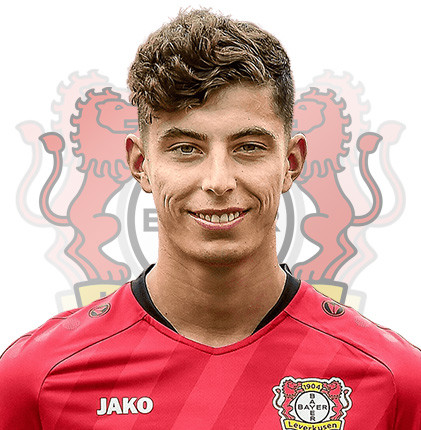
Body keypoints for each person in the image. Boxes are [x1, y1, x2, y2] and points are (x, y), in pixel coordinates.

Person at [1, 8, 420, 429]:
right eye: (186, 148)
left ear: (291, 163)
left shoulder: (394, 380)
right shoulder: (36, 379)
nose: (219, 181)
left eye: (249, 147)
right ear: (142, 165)